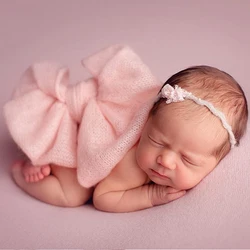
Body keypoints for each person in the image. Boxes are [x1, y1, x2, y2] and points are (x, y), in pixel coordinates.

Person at [4, 47, 248, 213]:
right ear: (147, 122)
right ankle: (26, 169)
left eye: (187, 159)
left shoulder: (178, 137)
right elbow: (102, 198)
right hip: (73, 131)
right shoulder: (133, 162)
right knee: (73, 195)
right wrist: (150, 196)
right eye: (157, 141)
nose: (165, 160)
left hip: (91, 120)